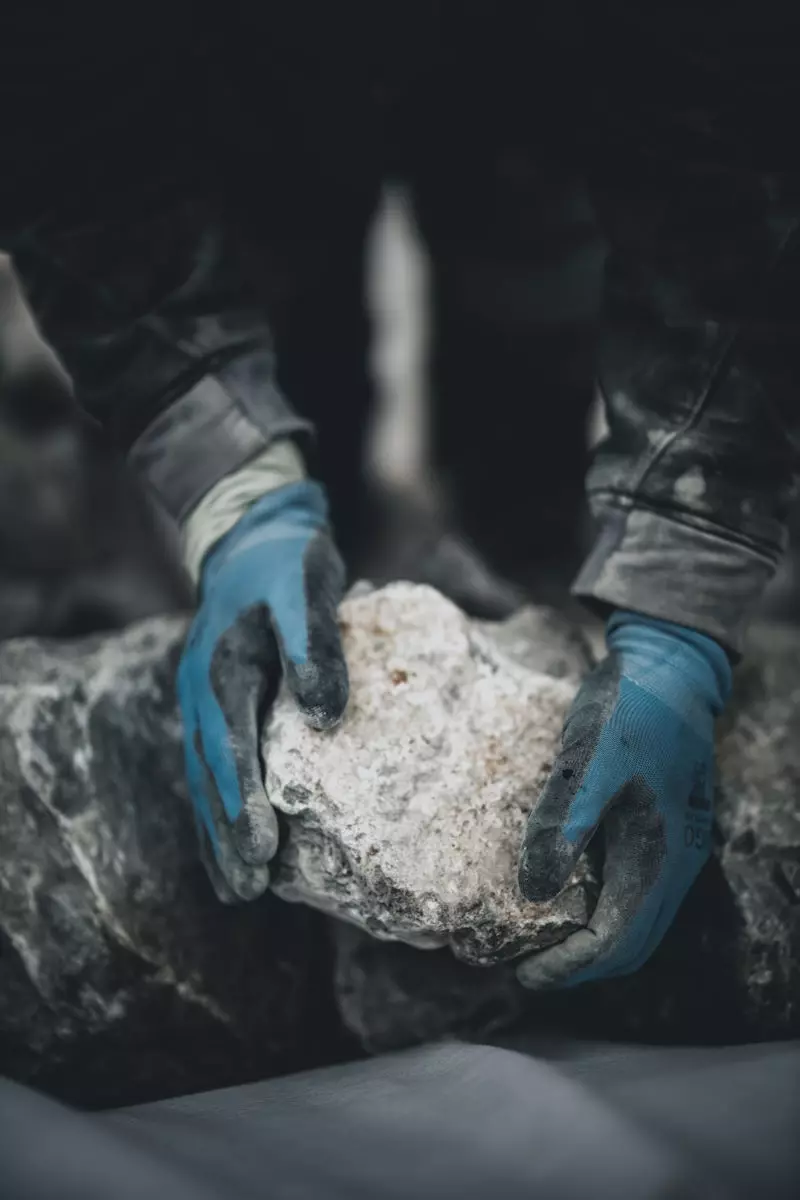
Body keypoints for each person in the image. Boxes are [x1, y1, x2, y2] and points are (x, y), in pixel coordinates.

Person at [2, 2, 798, 988]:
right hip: (239, 71)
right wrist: (232, 479)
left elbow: (748, 132)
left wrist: (689, 565)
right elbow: (61, 120)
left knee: (528, 302)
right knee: (295, 320)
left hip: (556, 66)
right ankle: (340, 524)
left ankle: (526, 548)